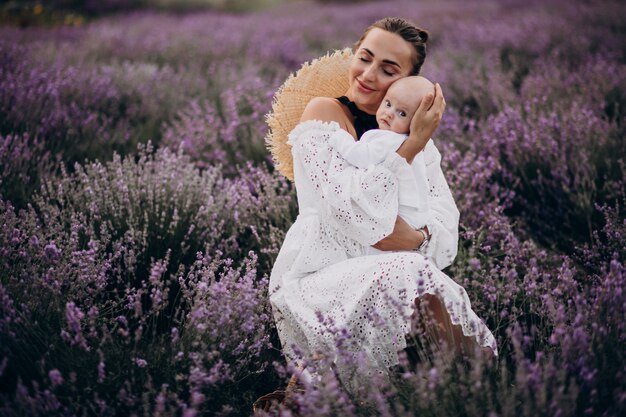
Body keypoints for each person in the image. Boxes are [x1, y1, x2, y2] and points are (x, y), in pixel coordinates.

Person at [268, 17, 497, 392]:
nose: (368, 74)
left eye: (388, 70)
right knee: (410, 271)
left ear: (407, 83)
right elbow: (357, 214)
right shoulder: (325, 114)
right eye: (365, 58)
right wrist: (409, 149)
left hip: (390, 270)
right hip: (318, 277)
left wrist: (416, 237)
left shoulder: (413, 139)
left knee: (422, 279)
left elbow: (446, 230)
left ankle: (478, 390)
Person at [328, 76, 436, 257]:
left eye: (402, 113)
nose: (389, 113)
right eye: (388, 104)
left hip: (397, 219)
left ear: (416, 123)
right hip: (414, 219)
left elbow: (360, 156)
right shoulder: (409, 144)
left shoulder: (389, 139)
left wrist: (339, 137)